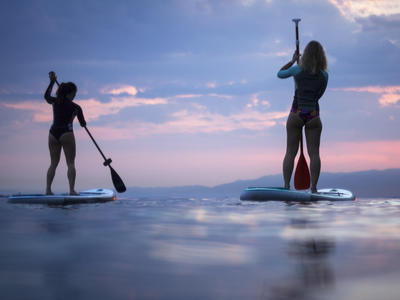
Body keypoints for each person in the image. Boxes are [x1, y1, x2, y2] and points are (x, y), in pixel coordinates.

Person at [277, 41, 328, 193]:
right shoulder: (324, 75)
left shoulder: (296, 70)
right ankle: (313, 188)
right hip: (313, 116)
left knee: (290, 153)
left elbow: (280, 74)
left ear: (304, 55)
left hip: (296, 114)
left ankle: (286, 187)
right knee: (314, 154)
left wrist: (292, 61)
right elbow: (319, 95)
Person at [44, 72, 86, 195]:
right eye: (75, 93)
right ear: (70, 93)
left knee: (53, 163)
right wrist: (84, 123)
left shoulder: (55, 101)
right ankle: (72, 191)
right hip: (66, 133)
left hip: (53, 134)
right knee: (71, 163)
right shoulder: (76, 107)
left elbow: (46, 96)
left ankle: (48, 190)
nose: (75, 96)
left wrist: (52, 82)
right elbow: (83, 124)